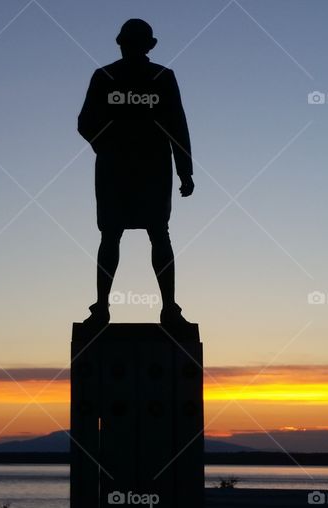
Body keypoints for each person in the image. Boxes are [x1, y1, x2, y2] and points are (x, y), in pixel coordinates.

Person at [78, 18, 195, 326]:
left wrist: (185, 169)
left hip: (144, 168)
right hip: (126, 168)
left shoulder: (157, 77)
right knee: (117, 235)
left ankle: (166, 307)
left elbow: (176, 125)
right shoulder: (107, 77)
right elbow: (86, 122)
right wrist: (107, 146)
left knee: (151, 234)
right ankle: (104, 307)